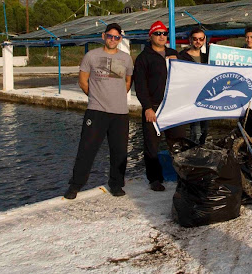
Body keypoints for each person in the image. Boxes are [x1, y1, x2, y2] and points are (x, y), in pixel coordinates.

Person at [64, 23, 133, 199]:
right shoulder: (91, 56)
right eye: (110, 36)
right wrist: (96, 96)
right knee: (86, 149)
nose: (112, 39)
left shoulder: (126, 59)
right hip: (96, 111)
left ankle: (116, 184)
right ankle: (75, 185)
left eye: (116, 37)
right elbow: (83, 81)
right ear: (104, 36)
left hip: (120, 113)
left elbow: (127, 82)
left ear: (120, 39)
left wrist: (116, 97)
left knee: (119, 152)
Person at [134, 20, 185, 192]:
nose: (162, 36)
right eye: (158, 33)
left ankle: (182, 176)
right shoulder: (143, 58)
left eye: (164, 33)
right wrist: (147, 107)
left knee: (178, 143)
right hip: (154, 107)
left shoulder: (173, 53)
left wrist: (178, 63)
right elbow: (140, 85)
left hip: (173, 106)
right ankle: (154, 179)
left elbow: (187, 75)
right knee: (152, 145)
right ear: (151, 36)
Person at [178, 27, 209, 144]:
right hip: (191, 99)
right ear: (190, 40)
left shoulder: (207, 57)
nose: (198, 42)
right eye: (195, 39)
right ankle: (194, 152)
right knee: (195, 132)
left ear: (204, 40)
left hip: (206, 99)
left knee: (205, 131)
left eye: (201, 39)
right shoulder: (181, 57)